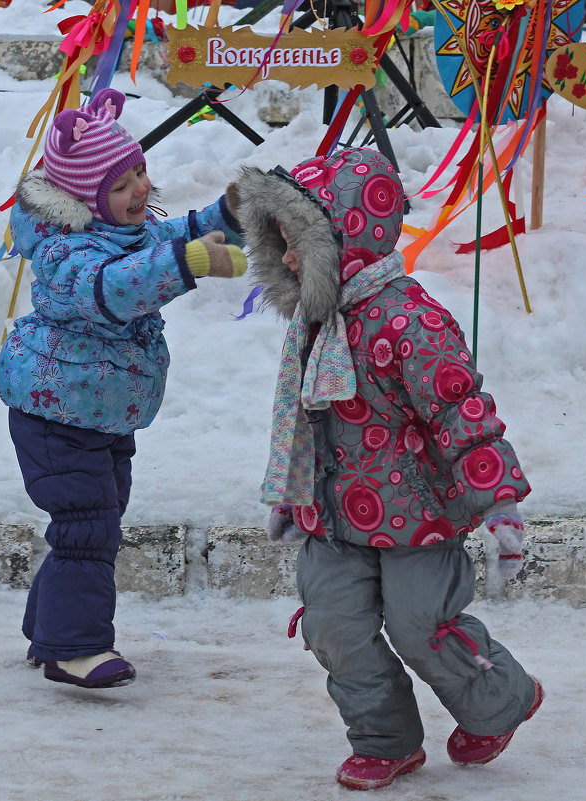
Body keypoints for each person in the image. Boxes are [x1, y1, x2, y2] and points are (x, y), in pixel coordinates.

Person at [234, 147, 542, 790]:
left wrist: (497, 499)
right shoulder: (317, 321)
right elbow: (305, 415)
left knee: (421, 626)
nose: (288, 260)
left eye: (299, 244)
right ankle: (385, 740)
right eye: (282, 245)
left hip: (420, 517)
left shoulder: (410, 319)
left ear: (346, 236)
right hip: (333, 517)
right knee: (332, 628)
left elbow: (460, 408)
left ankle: (499, 702)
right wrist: (294, 495)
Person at [0, 88, 245, 689]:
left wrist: (227, 216)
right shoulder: (66, 253)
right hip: (55, 414)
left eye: (139, 172)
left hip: (100, 413)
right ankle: (73, 649)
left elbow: (167, 237)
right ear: (84, 198)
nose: (139, 189)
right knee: (88, 526)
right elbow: (116, 290)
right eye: (121, 183)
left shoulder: (116, 230)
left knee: (92, 524)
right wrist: (190, 264)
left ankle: (50, 630)